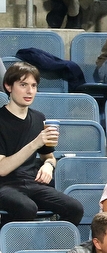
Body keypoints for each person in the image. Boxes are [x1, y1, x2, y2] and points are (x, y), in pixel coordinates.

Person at [0, 63, 83, 224]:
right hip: (5, 185)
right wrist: (35, 143)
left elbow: (49, 157)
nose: (30, 91)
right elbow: (2, 169)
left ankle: (53, 244)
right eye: (23, 85)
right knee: (26, 208)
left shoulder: (39, 118)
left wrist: (49, 166)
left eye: (33, 86)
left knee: (74, 208)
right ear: (8, 86)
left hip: (32, 183)